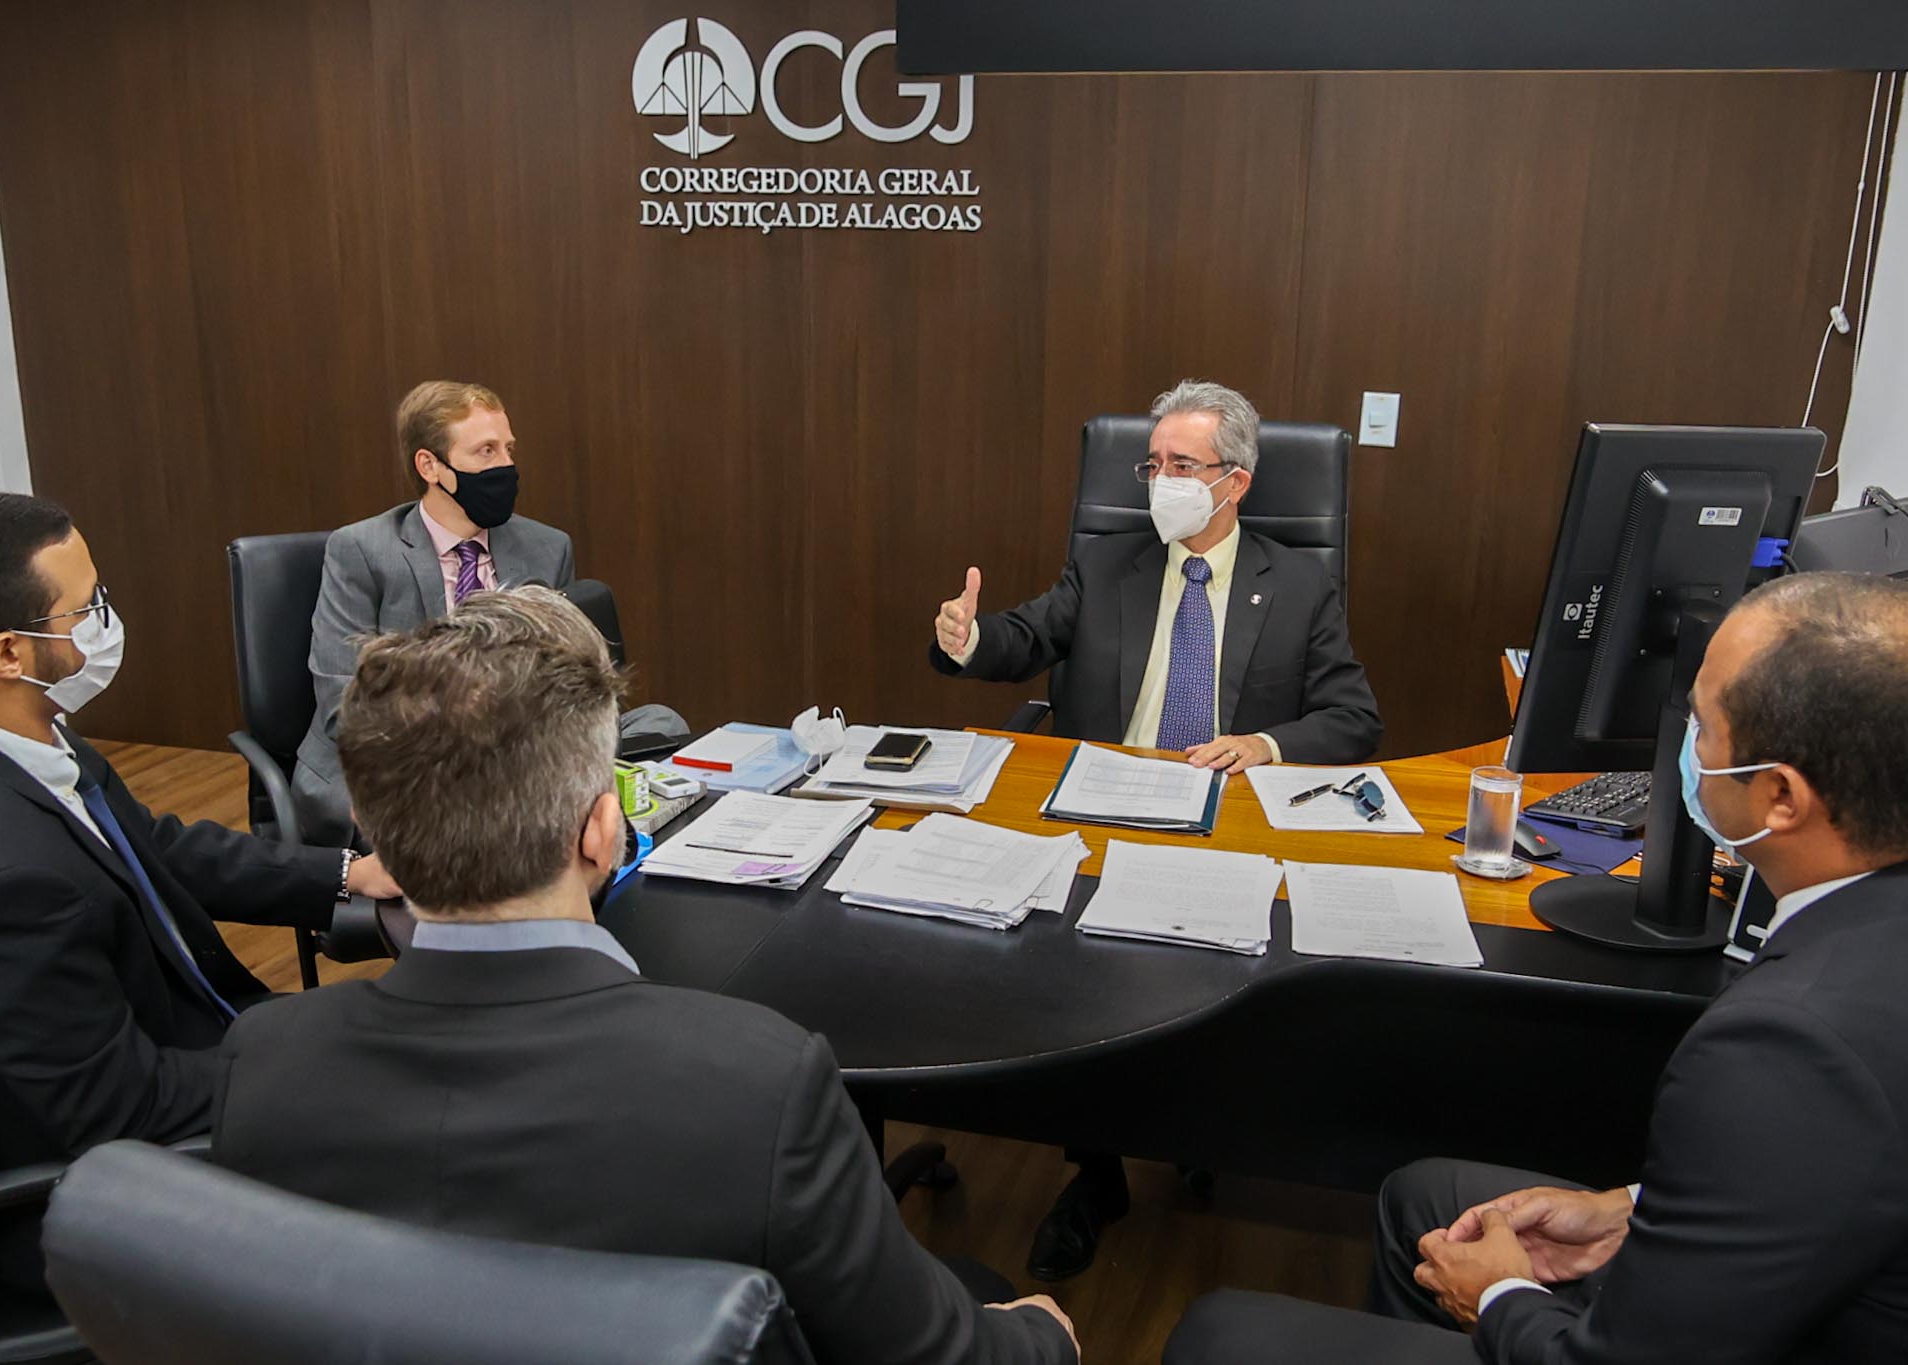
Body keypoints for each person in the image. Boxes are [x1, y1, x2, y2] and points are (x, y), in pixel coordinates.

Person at [213, 587, 1079, 1365]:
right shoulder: (760, 1084)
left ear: (377, 836)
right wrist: (1042, 1335)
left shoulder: (265, 1063)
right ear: (602, 833)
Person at [1164, 570, 1908, 1365]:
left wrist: (1496, 1296)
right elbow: (1811, 1182)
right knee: (1424, 1196)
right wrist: (1628, 1209)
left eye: (1700, 723)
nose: (1683, 744)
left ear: (1781, 797)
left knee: (1217, 1334)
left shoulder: (1785, 1050)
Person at [931, 379, 1382, 1280]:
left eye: (1183, 465)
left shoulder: (1297, 582)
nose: (1161, 482)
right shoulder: (1110, 565)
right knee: (1079, 970)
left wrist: (1263, 743)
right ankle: (1096, 1173)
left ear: (1235, 481)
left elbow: (1354, 717)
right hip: (1106, 810)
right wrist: (970, 639)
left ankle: (1195, 1128)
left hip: (1225, 820)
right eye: (1153, 464)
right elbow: (1027, 636)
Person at [0, 494, 399, 1167]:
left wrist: (351, 873)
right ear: (7, 653)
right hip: (162, 1141)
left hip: (198, 1028)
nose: (104, 621)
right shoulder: (1, 886)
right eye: (84, 608)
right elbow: (121, 1108)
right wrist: (330, 1074)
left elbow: (154, 849)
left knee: (404, 1032)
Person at [290, 380, 686, 846]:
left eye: (508, 450)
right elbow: (344, 703)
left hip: (514, 753)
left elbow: (568, 679)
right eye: (486, 451)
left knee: (662, 724)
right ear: (430, 466)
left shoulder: (546, 546)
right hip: (401, 758)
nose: (506, 466)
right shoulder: (362, 550)